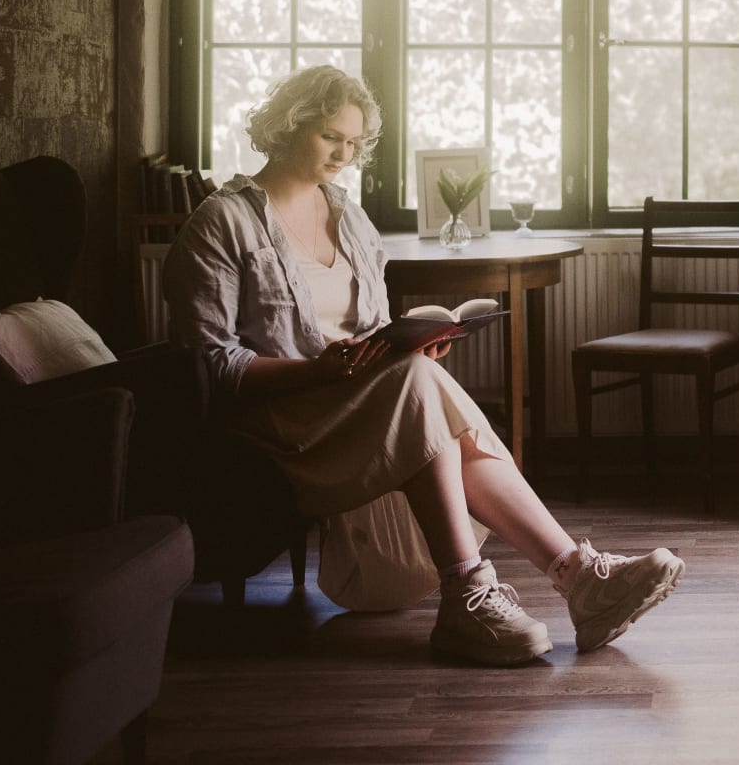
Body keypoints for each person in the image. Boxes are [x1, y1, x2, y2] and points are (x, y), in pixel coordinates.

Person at [163, 65, 683, 665]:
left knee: (418, 375)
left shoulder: (351, 219)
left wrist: (405, 345)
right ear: (291, 124)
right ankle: (518, 587)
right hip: (281, 425)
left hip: (355, 402)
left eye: (356, 144)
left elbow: (372, 332)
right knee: (417, 384)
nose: (345, 154)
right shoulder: (221, 223)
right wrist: (321, 372)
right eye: (332, 136)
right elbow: (210, 366)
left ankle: (562, 581)